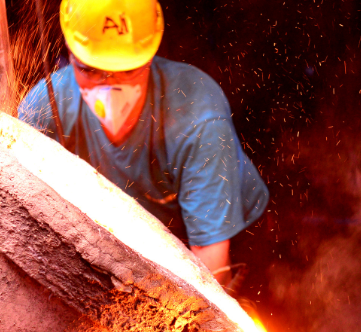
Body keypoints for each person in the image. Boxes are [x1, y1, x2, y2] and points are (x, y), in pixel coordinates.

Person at [18, 0, 268, 285]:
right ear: (70, 53)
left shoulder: (198, 119)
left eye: (127, 71)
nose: (109, 89)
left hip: (221, 235)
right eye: (90, 70)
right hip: (123, 237)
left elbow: (211, 266)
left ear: (150, 57)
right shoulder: (45, 108)